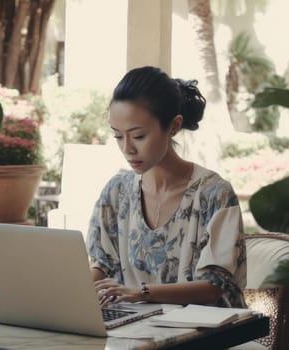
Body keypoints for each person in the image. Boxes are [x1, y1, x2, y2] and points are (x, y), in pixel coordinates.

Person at [87, 66, 247, 308]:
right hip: (138, 329)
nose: (127, 148)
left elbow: (215, 286)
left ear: (173, 126)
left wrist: (140, 293)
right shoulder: (117, 192)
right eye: (118, 136)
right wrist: (69, 294)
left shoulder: (214, 194)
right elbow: (102, 265)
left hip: (208, 333)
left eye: (138, 136)